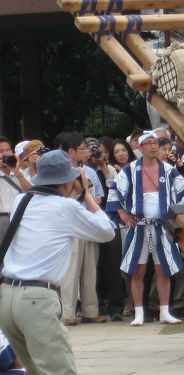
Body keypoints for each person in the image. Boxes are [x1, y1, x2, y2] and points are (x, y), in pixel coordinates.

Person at [0, 150, 115, 374]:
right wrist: (88, 197)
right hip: (37, 300)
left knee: (33, 370)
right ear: (66, 181)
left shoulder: (21, 200)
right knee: (58, 371)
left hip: (7, 296)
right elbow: (107, 231)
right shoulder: (66, 208)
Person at [106, 131, 184, 326]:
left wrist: (180, 217)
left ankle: (165, 311)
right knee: (138, 269)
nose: (154, 146)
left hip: (162, 226)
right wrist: (122, 213)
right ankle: (138, 312)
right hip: (139, 225)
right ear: (140, 147)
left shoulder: (169, 170)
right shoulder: (129, 170)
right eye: (150, 143)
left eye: (156, 143)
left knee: (163, 269)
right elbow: (114, 192)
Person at [60, 133, 106, 326]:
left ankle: (90, 310)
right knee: (71, 271)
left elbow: (99, 197)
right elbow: (61, 201)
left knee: (90, 269)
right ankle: (68, 313)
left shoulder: (90, 171)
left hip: (88, 221)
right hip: (70, 224)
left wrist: (92, 200)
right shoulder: (61, 173)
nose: (86, 152)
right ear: (71, 151)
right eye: (82, 149)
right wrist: (76, 188)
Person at [0, 138, 26, 234]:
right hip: (2, 219)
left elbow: (32, 192)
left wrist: (16, 171)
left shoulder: (21, 173)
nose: (5, 154)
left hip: (21, 219)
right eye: (1, 151)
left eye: (8, 150)